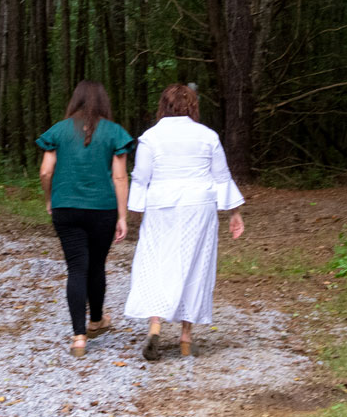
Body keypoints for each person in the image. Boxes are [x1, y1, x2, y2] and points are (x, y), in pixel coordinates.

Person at [123, 83, 245, 360]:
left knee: (155, 261)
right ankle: (186, 338)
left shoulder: (150, 137)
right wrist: (234, 213)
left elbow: (141, 177)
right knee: (195, 265)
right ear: (192, 106)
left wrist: (134, 211)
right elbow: (221, 176)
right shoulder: (207, 136)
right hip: (197, 206)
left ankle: (155, 325)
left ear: (163, 106)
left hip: (161, 205)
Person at [36, 81, 133, 358]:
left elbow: (45, 172)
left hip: (66, 206)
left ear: (75, 100)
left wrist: (49, 199)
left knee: (77, 268)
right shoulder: (114, 133)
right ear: (103, 101)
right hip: (102, 208)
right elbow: (119, 177)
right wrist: (123, 216)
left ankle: (79, 337)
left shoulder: (58, 130)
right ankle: (96, 320)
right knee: (97, 265)